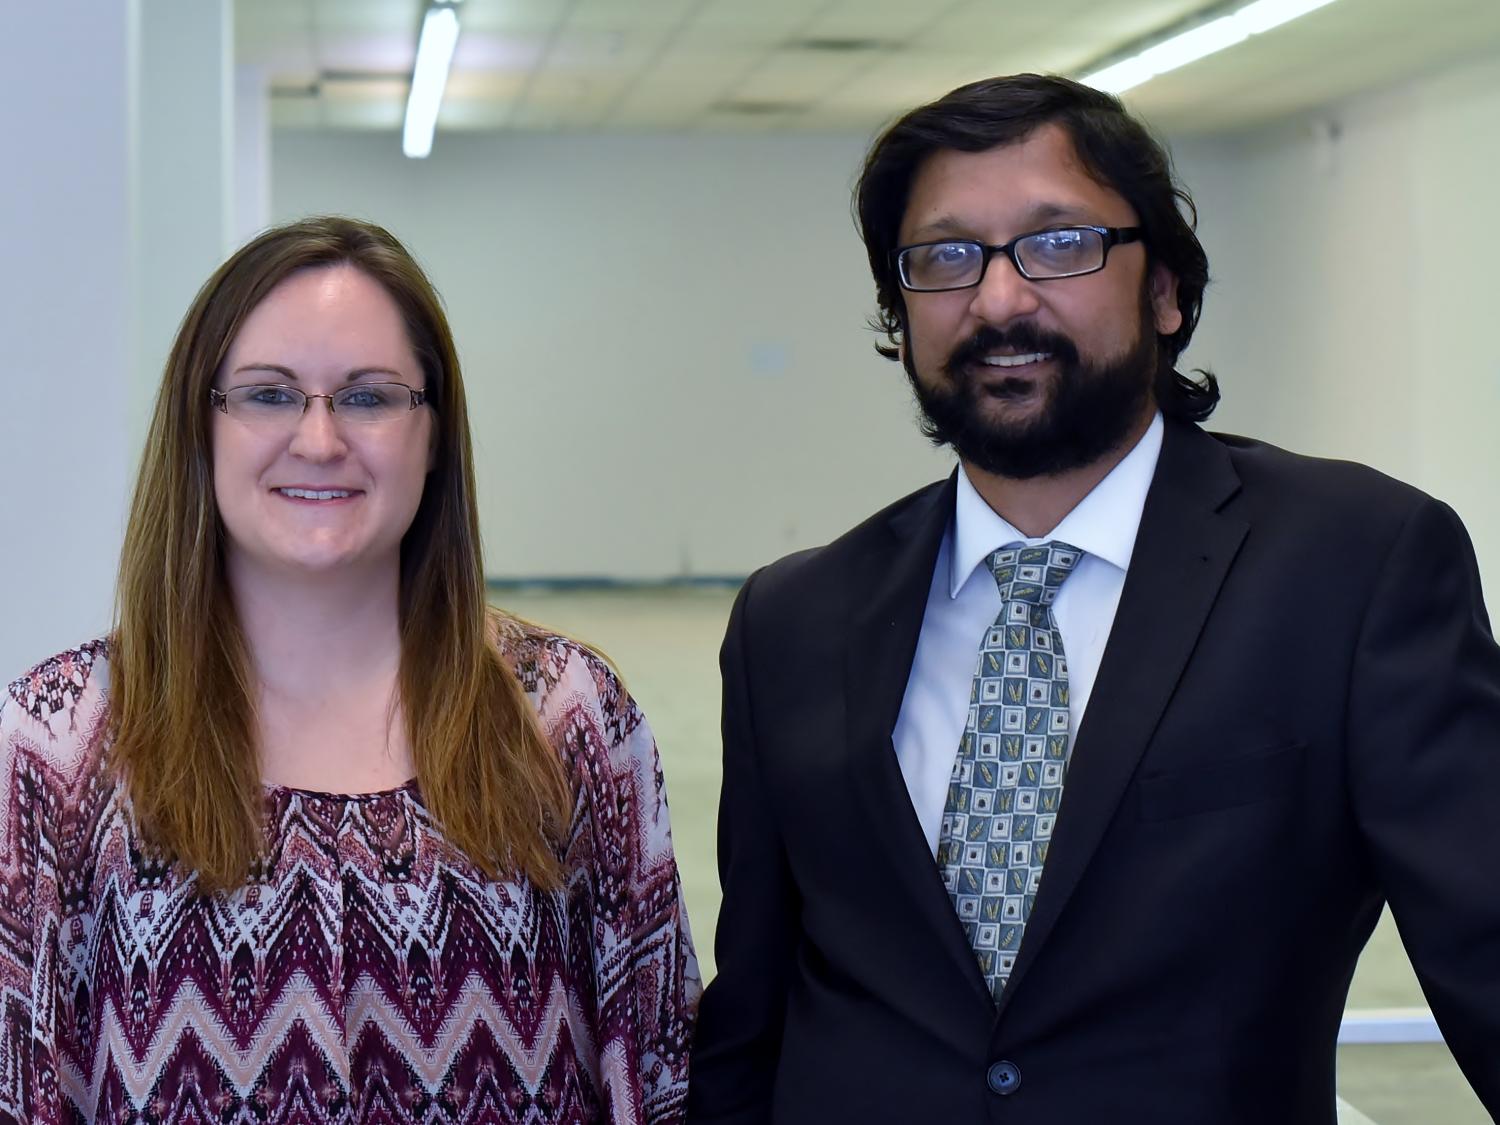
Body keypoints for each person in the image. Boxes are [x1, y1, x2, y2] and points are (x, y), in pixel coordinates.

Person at [687, 74, 1500, 1123]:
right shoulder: (790, 620)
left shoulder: (1354, 565)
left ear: (1164, 288)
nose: (999, 299)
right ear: (900, 313)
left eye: (1059, 243)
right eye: (945, 257)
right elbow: (753, 1014)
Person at [0, 216, 699, 1123]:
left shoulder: (566, 715)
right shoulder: (57, 747)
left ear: (435, 434)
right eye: (268, 395)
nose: (320, 440)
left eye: (368, 397)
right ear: (199, 426)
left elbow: (660, 1072)